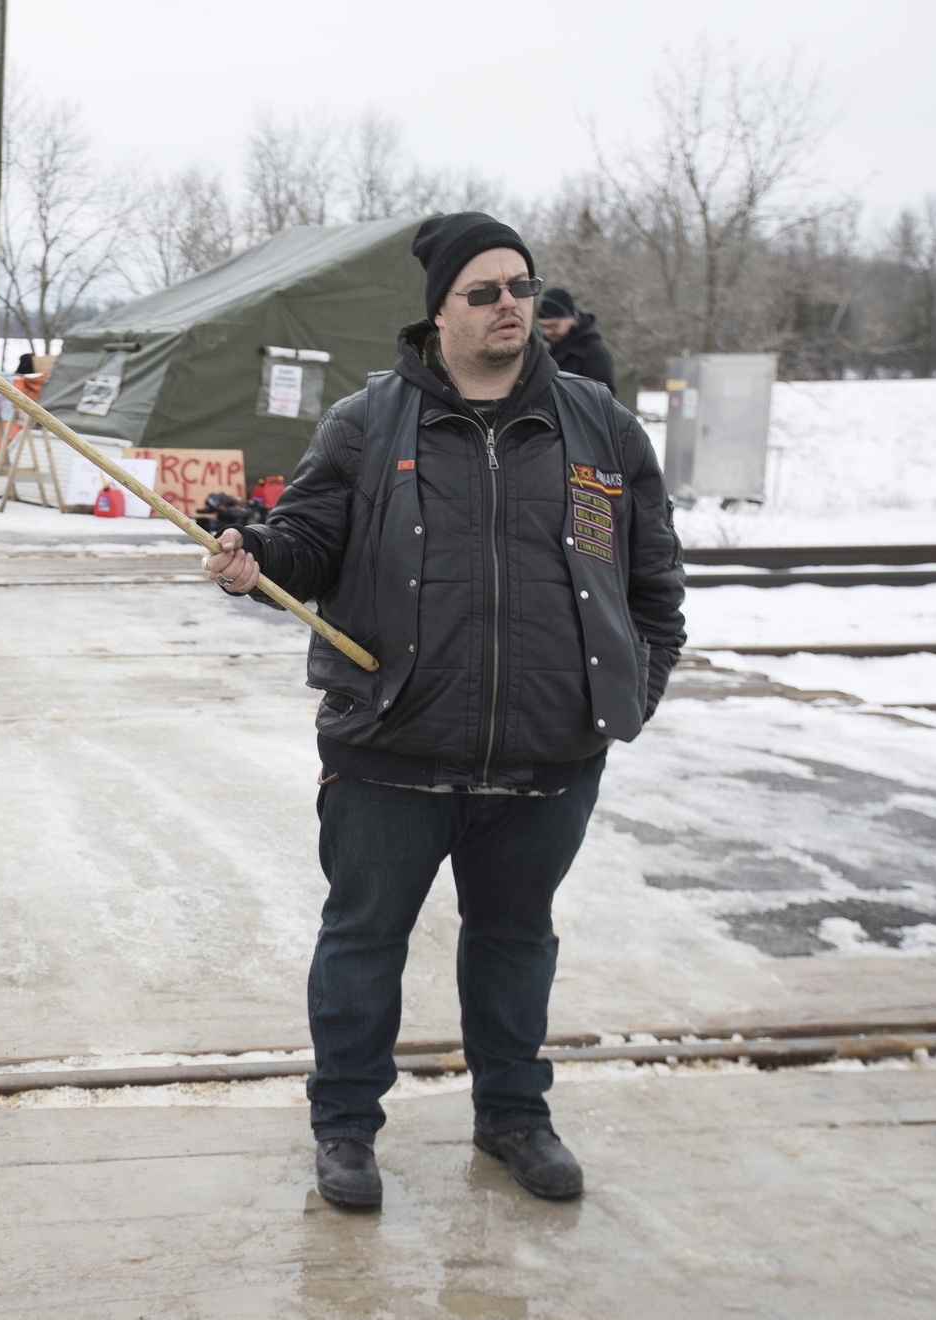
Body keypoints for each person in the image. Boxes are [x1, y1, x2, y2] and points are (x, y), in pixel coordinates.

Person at [201, 212, 685, 1211]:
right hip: (392, 747)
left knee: (516, 939)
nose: (512, 304)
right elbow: (308, 542)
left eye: (522, 285)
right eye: (485, 291)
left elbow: (653, 581)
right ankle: (345, 1128)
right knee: (364, 937)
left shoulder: (598, 425)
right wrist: (256, 555)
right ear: (438, 313)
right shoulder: (372, 421)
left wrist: (625, 694)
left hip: (548, 754)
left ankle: (514, 1116)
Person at [537, 286, 616, 393]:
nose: (547, 332)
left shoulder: (594, 352)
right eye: (544, 327)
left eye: (554, 326)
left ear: (571, 319)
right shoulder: (543, 347)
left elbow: (603, 399)